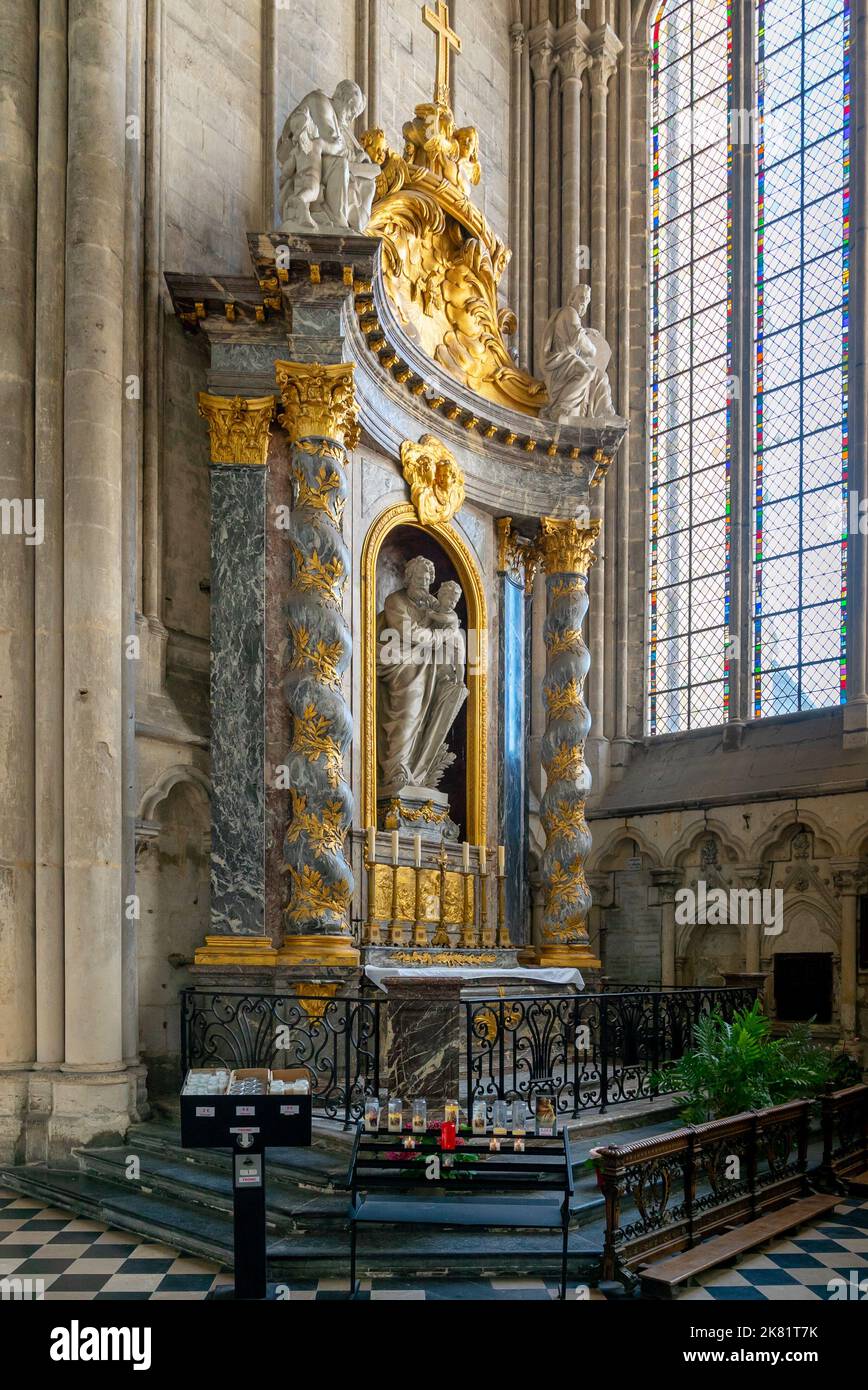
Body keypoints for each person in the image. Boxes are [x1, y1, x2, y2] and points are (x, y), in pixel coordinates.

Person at [277, 80, 379, 233]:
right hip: (306, 161)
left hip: (316, 159)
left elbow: (334, 145)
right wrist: (356, 157)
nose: (351, 119)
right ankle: (337, 219)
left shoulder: (334, 116)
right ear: (344, 99)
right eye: (352, 111)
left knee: (368, 184)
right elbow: (332, 142)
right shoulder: (319, 101)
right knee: (341, 166)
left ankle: (352, 220)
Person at [540, 283, 615, 421]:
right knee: (586, 373)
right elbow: (578, 338)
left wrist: (587, 333)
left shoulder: (571, 316)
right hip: (560, 363)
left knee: (600, 376)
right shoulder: (569, 312)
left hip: (569, 363)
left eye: (586, 300)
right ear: (571, 299)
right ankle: (560, 408)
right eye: (581, 298)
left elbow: (578, 334)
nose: (583, 303)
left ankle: (605, 413)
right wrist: (593, 349)